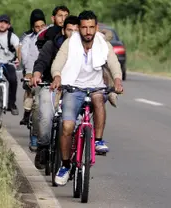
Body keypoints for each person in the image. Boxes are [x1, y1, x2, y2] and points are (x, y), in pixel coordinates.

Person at [49, 10, 124, 186]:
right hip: (73, 88)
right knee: (67, 127)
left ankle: (97, 140)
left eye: (91, 27)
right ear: (79, 29)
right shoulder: (70, 43)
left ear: (96, 27)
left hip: (95, 87)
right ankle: (65, 165)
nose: (88, 32)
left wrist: (118, 80)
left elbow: (113, 63)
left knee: (99, 99)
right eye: (84, 28)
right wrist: (57, 76)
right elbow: (57, 63)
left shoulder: (103, 43)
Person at [32, 15, 79, 169]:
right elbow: (41, 62)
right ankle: (43, 147)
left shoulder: (84, 48)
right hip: (51, 86)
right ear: (64, 30)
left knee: (78, 121)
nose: (72, 34)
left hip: (74, 89)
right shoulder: (51, 45)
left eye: (76, 30)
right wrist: (37, 74)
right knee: (45, 114)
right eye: (69, 30)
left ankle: (78, 153)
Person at [19, 9, 47, 152]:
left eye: (43, 26)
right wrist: (29, 73)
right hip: (33, 73)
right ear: (32, 27)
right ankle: (35, 137)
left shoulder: (51, 36)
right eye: (37, 27)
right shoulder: (28, 39)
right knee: (35, 103)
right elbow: (26, 56)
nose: (40, 29)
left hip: (49, 74)